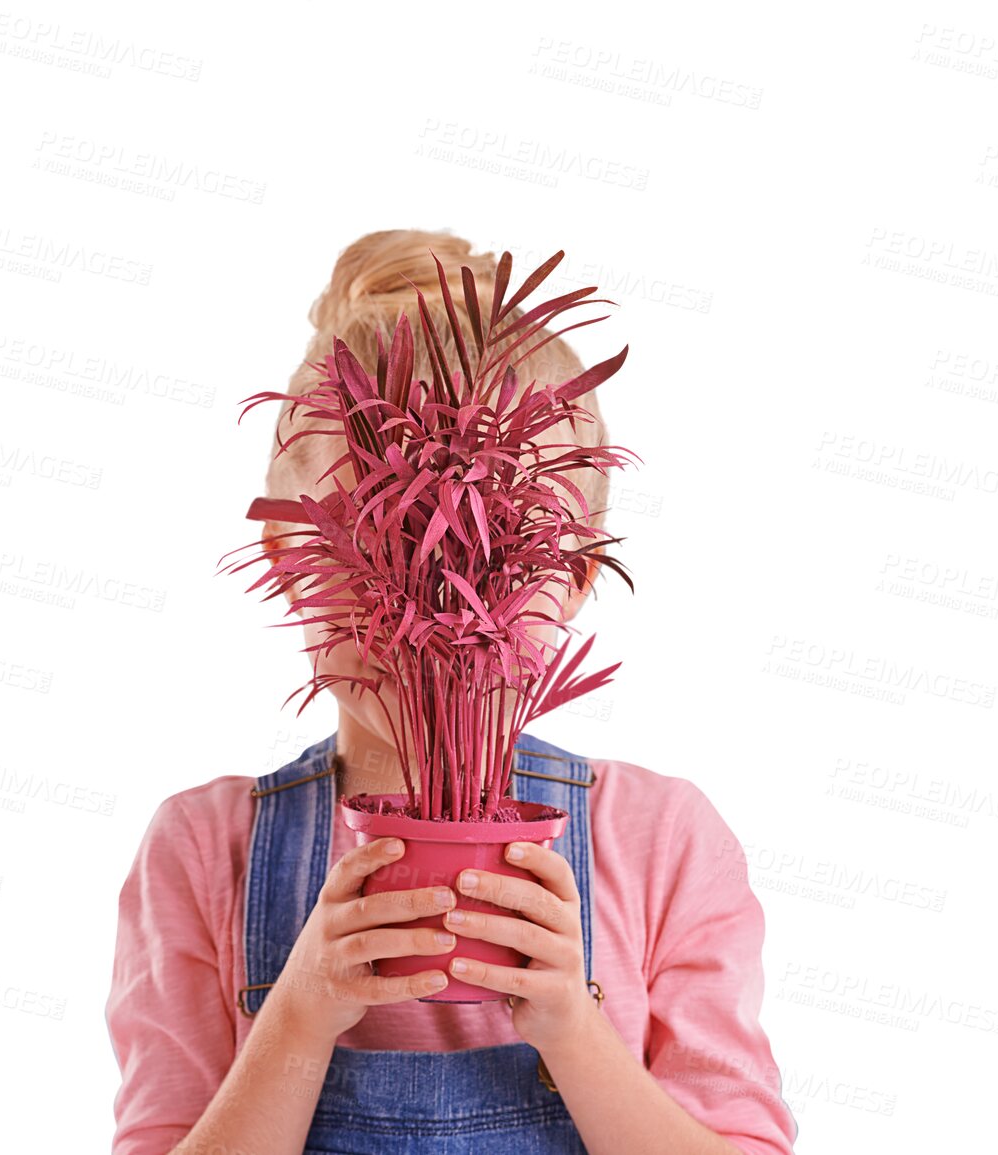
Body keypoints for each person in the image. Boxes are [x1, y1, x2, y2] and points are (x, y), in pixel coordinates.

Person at [105, 229, 799, 1155]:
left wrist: (570, 1025)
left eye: (497, 550)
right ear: (283, 554)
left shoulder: (659, 839)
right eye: (373, 539)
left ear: (578, 576)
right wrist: (301, 1012)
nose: (436, 598)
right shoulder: (204, 849)